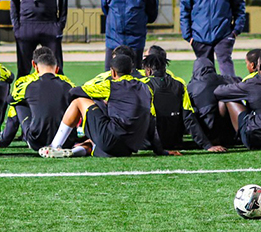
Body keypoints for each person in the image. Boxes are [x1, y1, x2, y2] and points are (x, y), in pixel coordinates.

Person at [39, 53, 171, 158]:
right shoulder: (146, 88)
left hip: (111, 138)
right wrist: (160, 150)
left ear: (113, 72)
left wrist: (100, 99)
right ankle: (76, 151)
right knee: (95, 141)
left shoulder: (109, 85)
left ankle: (54, 145)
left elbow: (74, 92)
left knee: (78, 102)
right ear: (131, 71)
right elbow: (152, 120)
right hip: (128, 148)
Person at [5, 47, 76, 152]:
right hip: (66, 141)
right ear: (57, 69)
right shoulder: (67, 83)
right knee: (73, 102)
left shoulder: (26, 84)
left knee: (19, 103)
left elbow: (10, 100)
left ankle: (11, 137)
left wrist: (4, 141)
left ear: (35, 66)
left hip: (37, 141)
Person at [101, 0, 159, 70]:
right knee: (110, 76)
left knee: (134, 77)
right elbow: (105, 8)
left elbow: (152, 13)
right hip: (114, 41)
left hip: (135, 42)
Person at [184, 56, 239, 152]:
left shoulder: (191, 87)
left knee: (187, 109)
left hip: (207, 132)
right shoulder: (227, 79)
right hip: (228, 132)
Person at [143, 48, 188, 151]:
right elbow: (188, 115)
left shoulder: (144, 85)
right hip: (174, 139)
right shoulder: (179, 83)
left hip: (149, 142)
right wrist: (206, 144)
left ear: (148, 70)